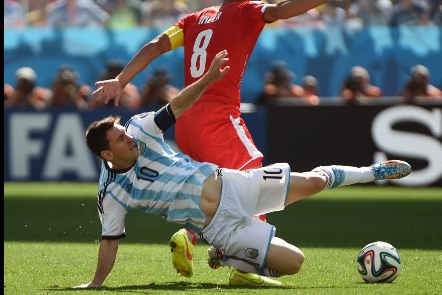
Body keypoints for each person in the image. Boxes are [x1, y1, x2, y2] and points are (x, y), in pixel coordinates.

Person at [90, 0, 352, 282]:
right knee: (256, 177)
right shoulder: (247, 10)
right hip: (217, 116)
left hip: (186, 120)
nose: (261, 4)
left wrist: (121, 80)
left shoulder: (193, 19)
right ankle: (234, 262)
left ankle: (203, 239)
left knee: (214, 189)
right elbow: (281, 10)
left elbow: (157, 45)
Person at [75, 50, 411, 288]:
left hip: (234, 186)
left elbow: (176, 106)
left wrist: (207, 79)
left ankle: (373, 171)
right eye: (120, 140)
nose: (128, 138)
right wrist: (96, 283)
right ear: (107, 153)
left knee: (313, 182)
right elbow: (109, 241)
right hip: (219, 228)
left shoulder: (141, 129)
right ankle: (225, 254)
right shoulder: (111, 193)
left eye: (124, 133)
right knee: (295, 263)